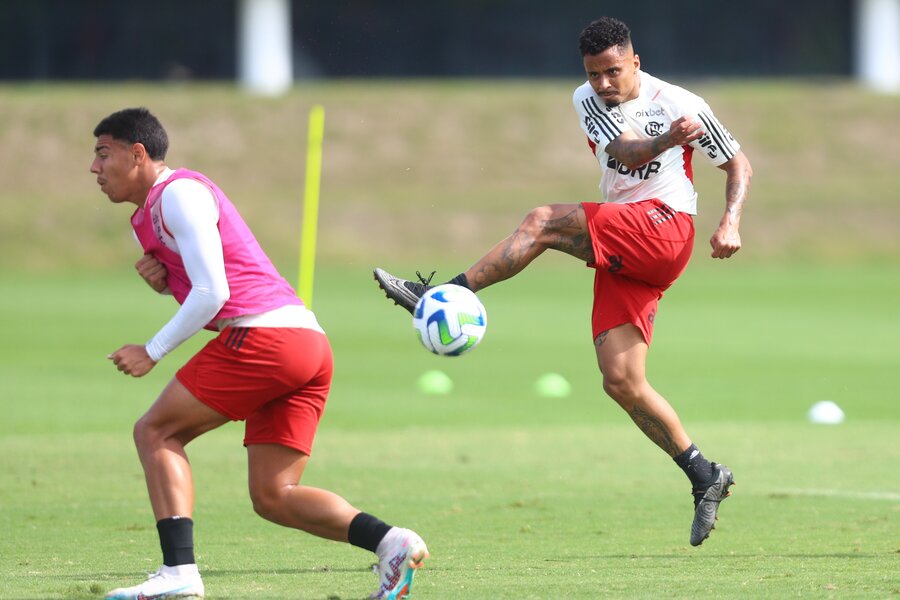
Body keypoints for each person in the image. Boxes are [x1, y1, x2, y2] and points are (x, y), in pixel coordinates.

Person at [374, 16, 752, 547]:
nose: (602, 83)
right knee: (621, 381)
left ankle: (440, 294)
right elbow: (625, 152)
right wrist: (669, 138)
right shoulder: (589, 100)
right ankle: (704, 475)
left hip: (665, 228)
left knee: (542, 222)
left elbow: (737, 162)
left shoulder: (680, 102)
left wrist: (730, 220)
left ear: (635, 61)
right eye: (594, 73)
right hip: (630, 245)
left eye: (613, 72)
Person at [92, 107, 427, 600]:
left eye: (103, 154)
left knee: (156, 430)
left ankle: (179, 573)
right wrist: (169, 286)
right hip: (305, 344)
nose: (94, 168)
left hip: (265, 338)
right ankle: (391, 542)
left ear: (138, 153)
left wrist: (152, 349)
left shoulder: (179, 194)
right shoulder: (150, 213)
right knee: (273, 496)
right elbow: (212, 287)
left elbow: (214, 294)